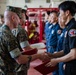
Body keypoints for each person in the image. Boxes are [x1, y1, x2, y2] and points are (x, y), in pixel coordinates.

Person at [0, 6, 49, 75]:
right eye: (18, 18)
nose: (19, 21)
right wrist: (39, 56)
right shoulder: (8, 35)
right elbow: (20, 59)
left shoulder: (2, 30)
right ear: (13, 18)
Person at [45, 1, 76, 75]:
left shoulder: (73, 29)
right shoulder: (68, 27)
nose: (59, 15)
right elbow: (66, 50)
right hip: (68, 65)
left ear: (67, 12)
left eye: (60, 12)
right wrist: (53, 55)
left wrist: (57, 60)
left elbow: (73, 54)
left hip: (72, 67)